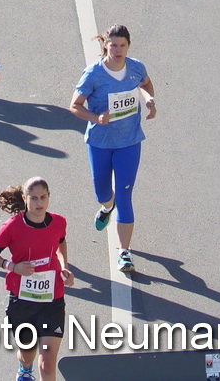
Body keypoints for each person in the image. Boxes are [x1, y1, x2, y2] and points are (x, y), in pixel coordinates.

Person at [69, 24, 155, 275]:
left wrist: (149, 99)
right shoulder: (93, 74)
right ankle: (108, 207)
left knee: (126, 195)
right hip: (100, 143)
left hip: (129, 141)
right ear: (105, 45)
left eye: (123, 45)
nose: (118, 50)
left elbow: (147, 84)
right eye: (113, 45)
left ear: (129, 46)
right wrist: (96, 118)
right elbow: (75, 105)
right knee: (103, 193)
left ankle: (124, 252)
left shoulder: (136, 67)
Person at [0, 178, 74, 381]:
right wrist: (13, 267)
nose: (39, 203)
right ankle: (25, 367)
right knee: (28, 353)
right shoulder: (12, 227)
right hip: (23, 300)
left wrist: (64, 267)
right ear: (25, 199)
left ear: (49, 197)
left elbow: (61, 244)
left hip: (52, 299)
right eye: (33, 198)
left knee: (48, 359)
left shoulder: (59, 222)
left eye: (43, 197)